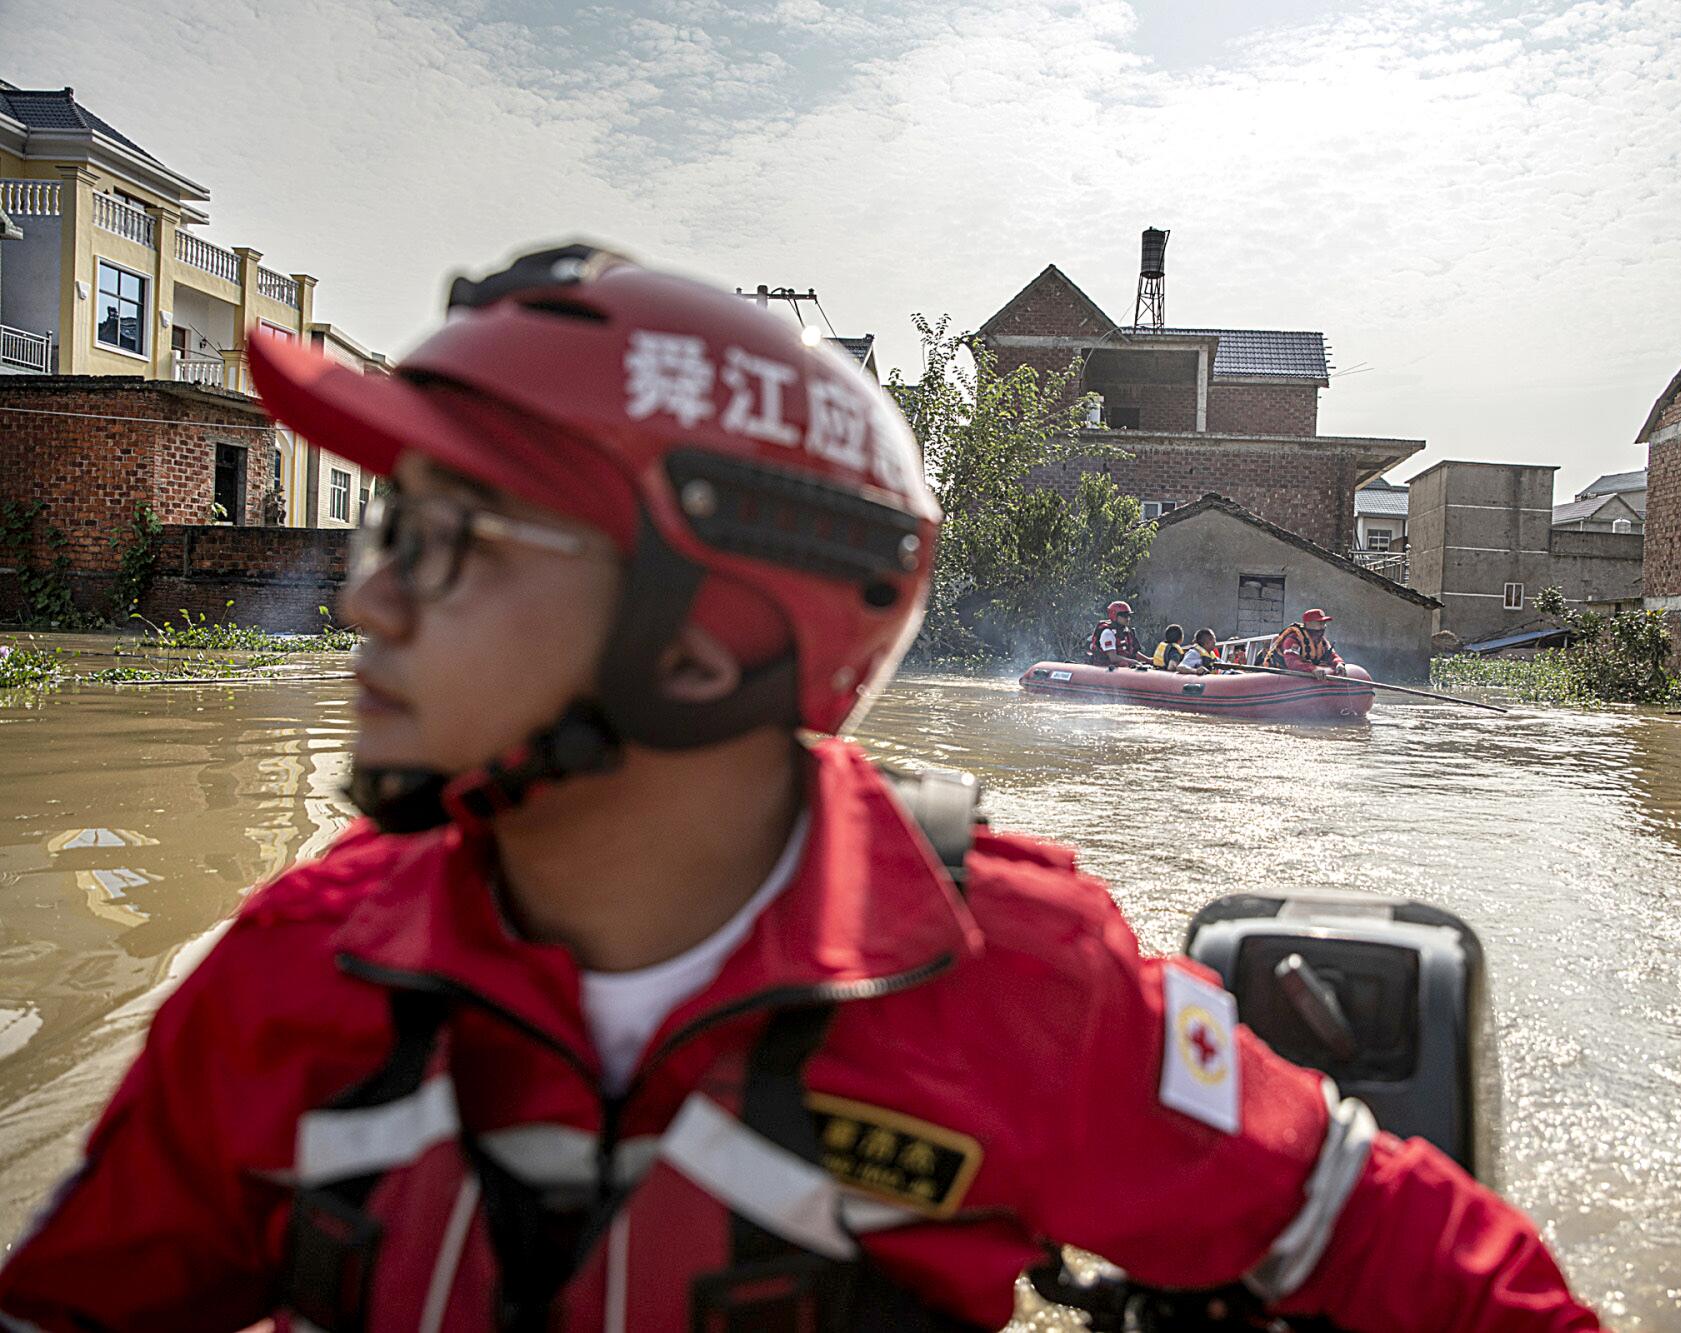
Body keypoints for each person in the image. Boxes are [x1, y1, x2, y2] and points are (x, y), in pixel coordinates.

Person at [0, 245, 1600, 1333]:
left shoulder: (1024, 975)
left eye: (447, 544)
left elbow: (1420, 1261)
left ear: (702, 649)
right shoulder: (299, 967)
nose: (365, 599)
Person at [1264, 606, 1345, 677]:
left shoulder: (1322, 641)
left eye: (1324, 623)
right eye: (1320, 623)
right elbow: (1292, 662)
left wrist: (1339, 663)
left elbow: (1332, 655)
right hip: (1280, 675)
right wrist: (1312, 669)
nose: (1323, 626)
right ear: (1309, 624)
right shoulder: (1293, 639)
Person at [1086, 598, 1148, 668]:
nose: (1127, 618)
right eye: (1124, 616)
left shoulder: (1127, 631)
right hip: (1106, 668)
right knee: (1123, 664)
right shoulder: (1108, 633)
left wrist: (1148, 660)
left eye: (1129, 616)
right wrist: (1133, 662)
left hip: (1122, 667)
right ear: (1114, 615)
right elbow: (1113, 658)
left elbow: (1133, 653)